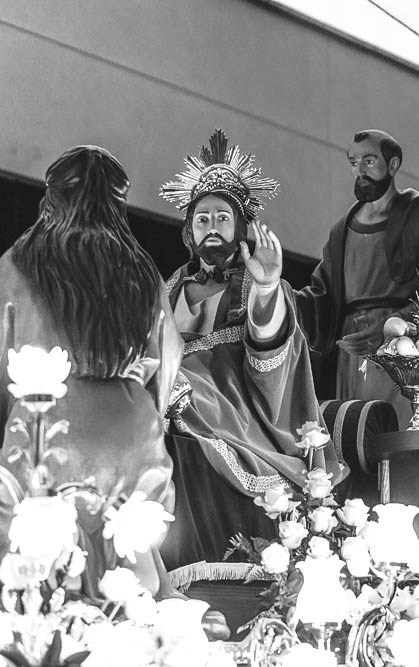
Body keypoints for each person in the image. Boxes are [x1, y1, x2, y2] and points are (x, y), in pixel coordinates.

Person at [0, 146, 181, 595]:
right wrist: (144, 415)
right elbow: (169, 354)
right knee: (129, 561)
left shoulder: (23, 261)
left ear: (53, 197)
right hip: (130, 425)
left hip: (45, 424)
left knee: (22, 567)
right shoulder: (141, 267)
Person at [158, 130, 346, 572]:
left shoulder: (261, 285)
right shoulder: (168, 291)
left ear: (241, 228)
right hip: (171, 409)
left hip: (240, 420)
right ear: (189, 232)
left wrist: (264, 287)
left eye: (222, 218)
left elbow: (271, 357)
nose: (211, 228)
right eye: (202, 220)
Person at [295, 130, 419, 428]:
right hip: (353, 353)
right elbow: (321, 296)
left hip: (404, 355)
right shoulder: (342, 230)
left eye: (369, 161)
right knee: (355, 435)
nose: (359, 170)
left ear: (393, 164)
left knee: (400, 436)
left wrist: (396, 328)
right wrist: (273, 295)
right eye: (353, 162)